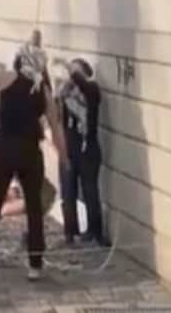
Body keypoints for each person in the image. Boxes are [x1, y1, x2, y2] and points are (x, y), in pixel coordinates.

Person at [0, 44, 67, 280]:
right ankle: (35, 265)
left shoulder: (7, 77)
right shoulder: (43, 91)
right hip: (29, 152)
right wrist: (64, 157)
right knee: (35, 210)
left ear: (20, 61)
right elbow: (56, 129)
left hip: (4, 149)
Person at [58, 57, 109, 246]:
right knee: (68, 191)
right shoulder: (67, 94)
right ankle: (70, 232)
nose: (72, 77)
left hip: (88, 149)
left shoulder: (92, 90)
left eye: (77, 72)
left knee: (90, 191)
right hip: (70, 148)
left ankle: (95, 231)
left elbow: (85, 88)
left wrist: (71, 71)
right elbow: (61, 121)